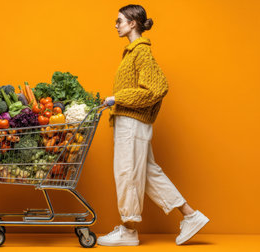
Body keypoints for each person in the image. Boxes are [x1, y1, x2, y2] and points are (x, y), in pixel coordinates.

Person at [97, 4, 210, 246]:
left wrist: (116, 98)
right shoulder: (132, 52)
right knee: (147, 174)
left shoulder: (141, 52)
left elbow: (157, 88)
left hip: (132, 123)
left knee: (127, 173)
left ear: (132, 23)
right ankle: (190, 216)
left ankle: (128, 231)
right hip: (132, 121)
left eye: (119, 21)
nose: (115, 25)